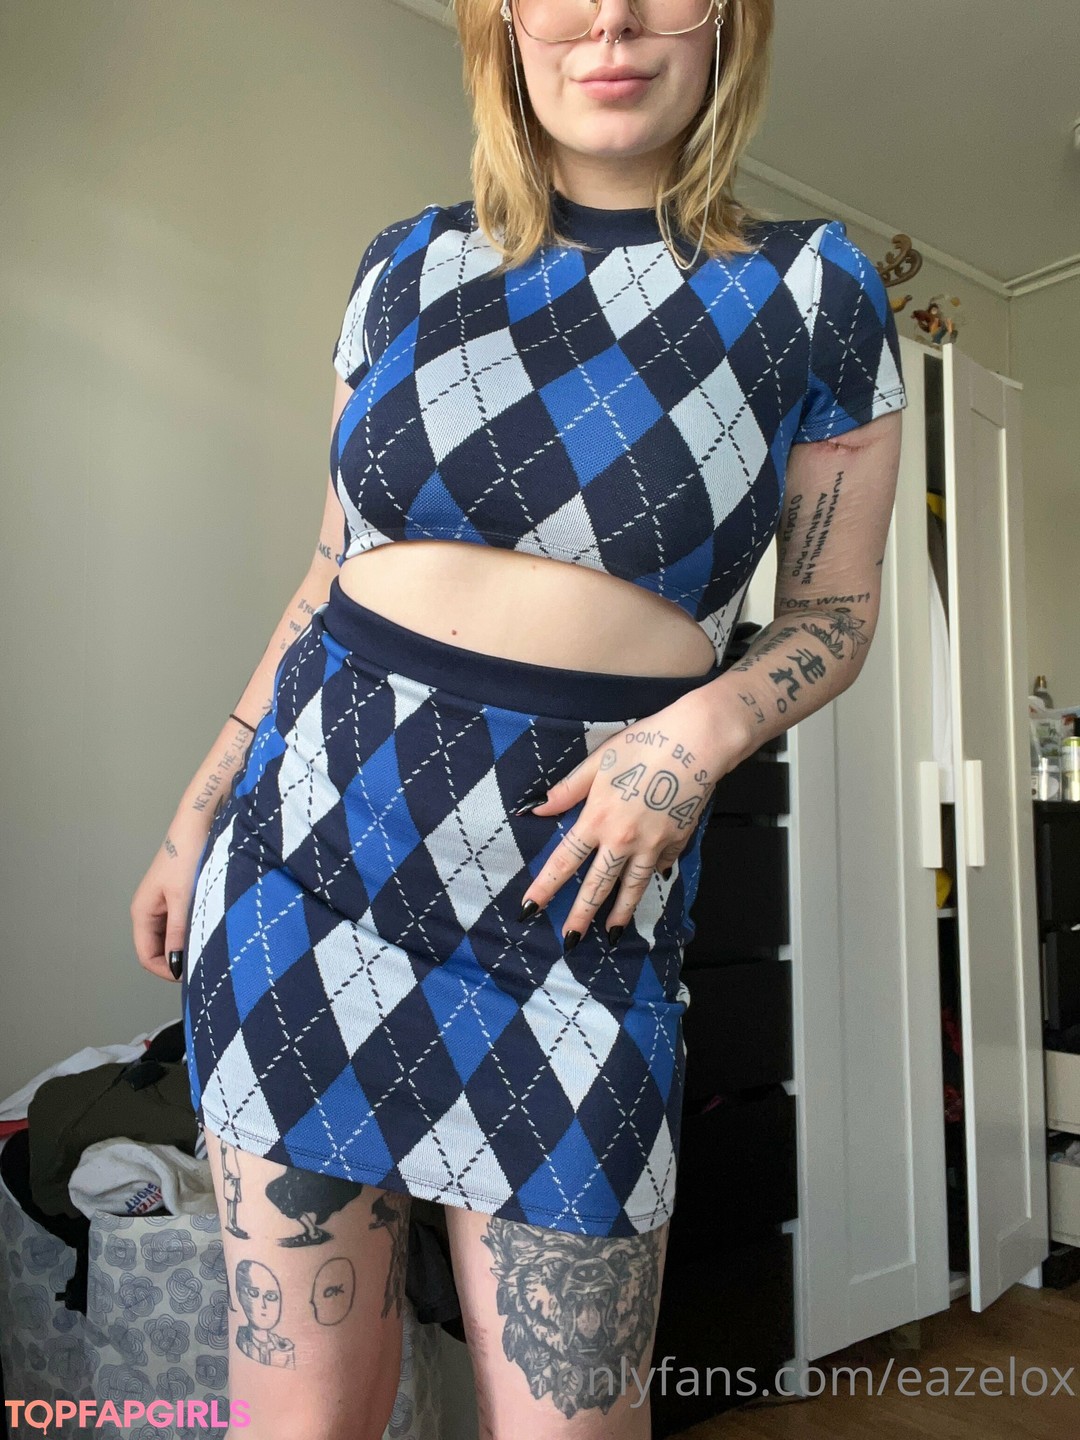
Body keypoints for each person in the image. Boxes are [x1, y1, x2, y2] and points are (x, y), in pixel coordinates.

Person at [130, 0, 907, 1434]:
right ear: (504, 25)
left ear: (729, 27)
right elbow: (327, 573)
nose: (609, 20)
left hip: (572, 926)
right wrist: (195, 817)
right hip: (305, 878)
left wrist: (700, 737)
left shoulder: (815, 290)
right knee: (303, 1418)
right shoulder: (402, 269)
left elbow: (834, 615)